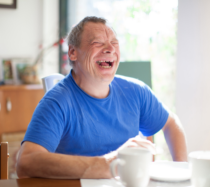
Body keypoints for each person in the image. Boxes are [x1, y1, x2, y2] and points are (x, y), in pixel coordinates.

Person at [17, 16, 187, 179]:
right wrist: (107, 165)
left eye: (114, 43)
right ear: (73, 52)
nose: (110, 49)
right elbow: (25, 163)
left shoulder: (136, 91)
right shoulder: (56, 102)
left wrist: (181, 174)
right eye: (97, 42)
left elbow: (171, 123)